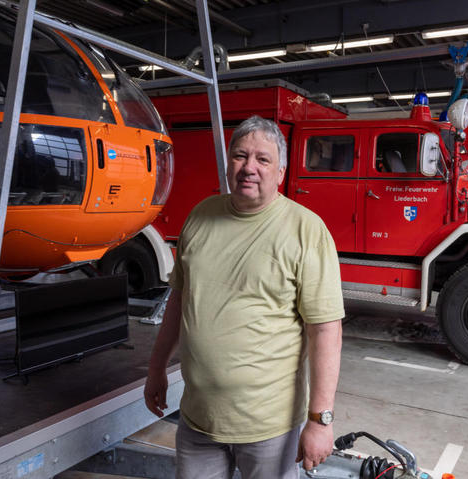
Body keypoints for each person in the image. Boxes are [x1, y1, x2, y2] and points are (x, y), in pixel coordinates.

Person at [144, 115, 344, 478]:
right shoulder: (200, 217)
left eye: (262, 159)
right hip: (198, 418)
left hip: (269, 427)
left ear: (280, 172)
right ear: (228, 163)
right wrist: (156, 368)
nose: (249, 167)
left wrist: (320, 420)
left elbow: (325, 331)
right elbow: (178, 302)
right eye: (240, 156)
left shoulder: (306, 230)